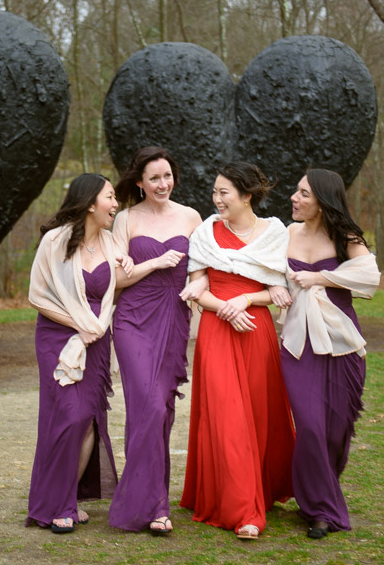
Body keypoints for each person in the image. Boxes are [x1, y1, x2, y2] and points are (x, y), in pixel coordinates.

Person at [178, 162, 296, 540]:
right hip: (216, 327)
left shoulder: (275, 233)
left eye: (224, 192)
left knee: (259, 414)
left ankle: (261, 487)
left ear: (246, 195)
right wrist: (225, 308)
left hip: (255, 329)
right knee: (227, 415)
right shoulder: (205, 233)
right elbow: (198, 285)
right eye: (214, 192)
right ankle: (243, 508)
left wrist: (246, 298)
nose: (216, 199)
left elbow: (278, 290)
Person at [26, 173, 134, 533]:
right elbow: (38, 296)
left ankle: (66, 500)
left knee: (88, 419)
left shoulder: (110, 243)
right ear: (90, 203)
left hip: (98, 339)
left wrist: (146, 264)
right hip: (58, 336)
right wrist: (78, 324)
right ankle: (53, 503)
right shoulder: (55, 241)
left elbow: (118, 285)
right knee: (67, 417)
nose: (116, 204)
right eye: (110, 197)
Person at [278, 168, 380, 539]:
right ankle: (320, 509)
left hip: (341, 345)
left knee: (337, 430)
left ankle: (323, 489)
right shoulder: (285, 233)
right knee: (309, 426)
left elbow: (369, 276)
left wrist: (320, 278)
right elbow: (266, 271)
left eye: (303, 193)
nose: (294, 197)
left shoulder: (345, 236)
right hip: (297, 345)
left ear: (322, 200)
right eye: (296, 191)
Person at [108, 146, 202, 534]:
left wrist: (200, 289)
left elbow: (202, 270)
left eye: (167, 176)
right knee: (147, 404)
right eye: (154, 178)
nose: (162, 184)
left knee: (161, 408)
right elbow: (115, 281)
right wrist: (153, 263)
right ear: (139, 183)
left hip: (174, 319)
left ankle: (151, 498)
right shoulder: (126, 219)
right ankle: (153, 504)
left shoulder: (191, 217)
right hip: (132, 320)